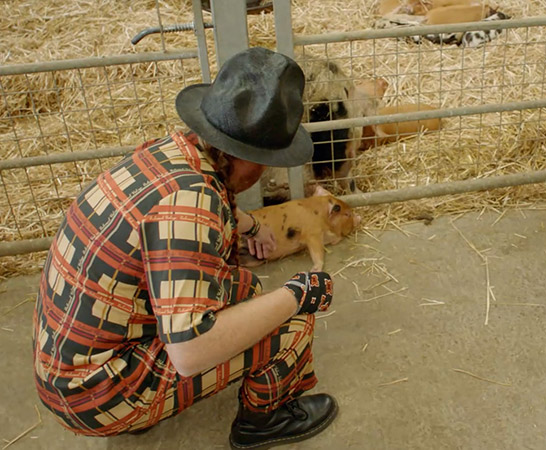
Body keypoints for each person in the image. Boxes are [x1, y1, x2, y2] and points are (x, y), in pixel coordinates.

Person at [33, 47, 339, 449]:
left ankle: (137, 392)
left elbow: (189, 213)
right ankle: (262, 422)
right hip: (92, 396)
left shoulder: (172, 153)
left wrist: (249, 225)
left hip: (67, 367)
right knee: (291, 321)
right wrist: (298, 294)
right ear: (247, 157)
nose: (266, 170)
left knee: (243, 289)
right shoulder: (192, 206)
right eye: (267, 160)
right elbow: (189, 353)